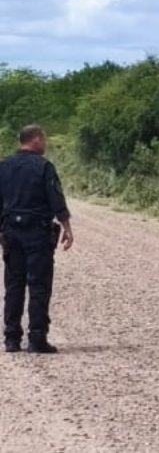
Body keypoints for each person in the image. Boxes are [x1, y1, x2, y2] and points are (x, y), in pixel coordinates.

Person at [0, 125, 74, 354]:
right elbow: (56, 198)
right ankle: (37, 338)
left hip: (11, 231)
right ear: (35, 140)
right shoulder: (44, 167)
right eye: (44, 140)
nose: (46, 144)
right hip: (37, 233)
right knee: (39, 285)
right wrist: (67, 226)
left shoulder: (3, 167)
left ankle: (11, 339)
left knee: (13, 285)